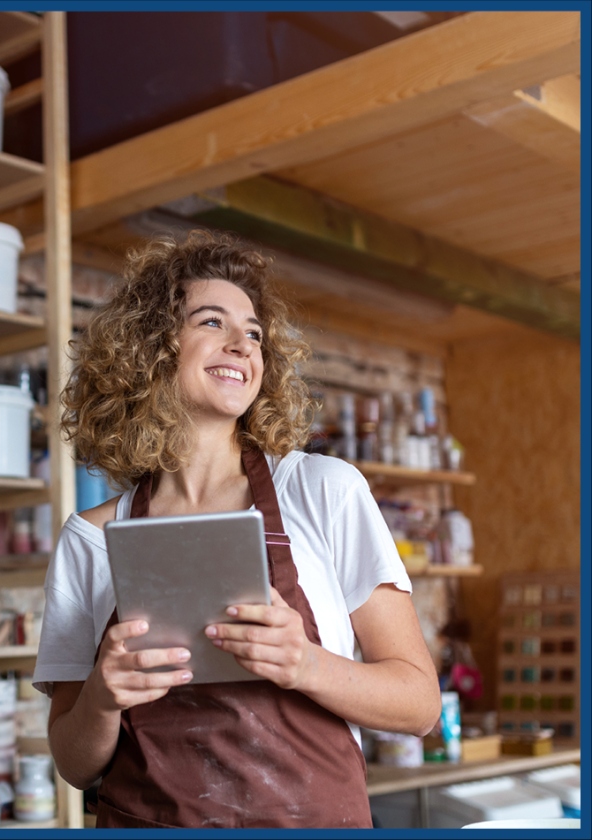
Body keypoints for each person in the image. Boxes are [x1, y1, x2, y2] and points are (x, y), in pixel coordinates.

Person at [31, 230, 442, 828]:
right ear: (152, 350)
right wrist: (102, 695)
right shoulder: (91, 539)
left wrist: (305, 663)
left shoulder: (323, 491)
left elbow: (420, 704)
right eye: (212, 322)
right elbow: (73, 763)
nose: (242, 345)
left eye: (253, 333)